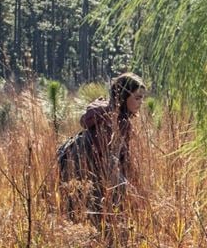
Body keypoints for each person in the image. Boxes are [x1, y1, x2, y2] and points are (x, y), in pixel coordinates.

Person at [57, 72, 146, 222]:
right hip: (84, 175)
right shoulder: (111, 121)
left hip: (81, 173)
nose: (141, 102)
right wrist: (128, 188)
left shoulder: (113, 117)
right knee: (94, 220)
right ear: (123, 97)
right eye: (137, 98)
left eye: (142, 98)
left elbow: (120, 159)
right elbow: (108, 161)